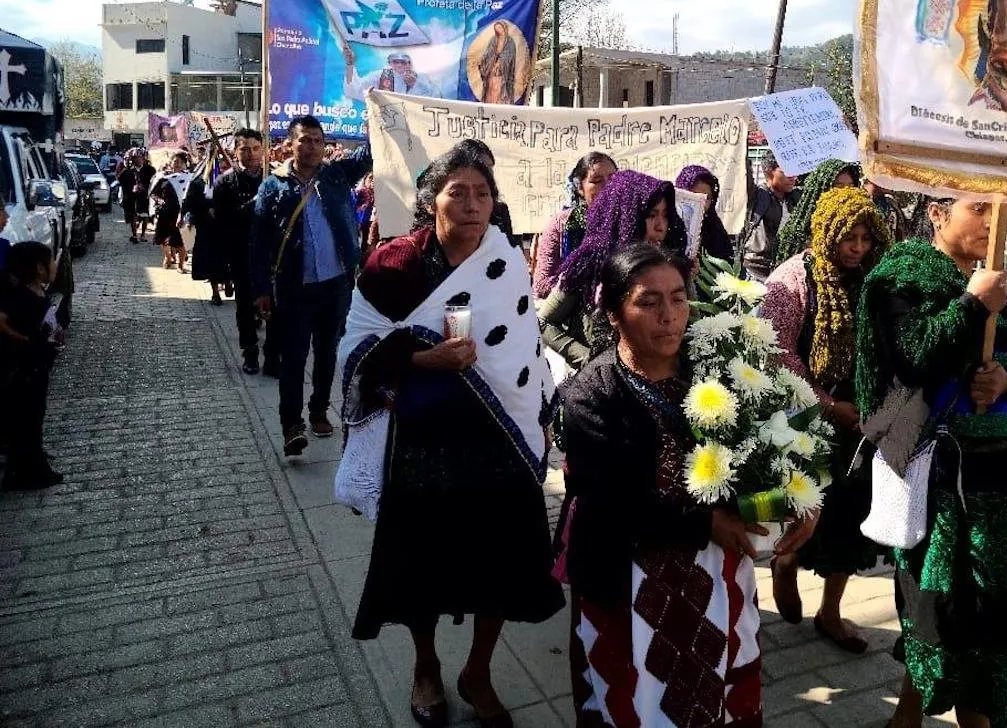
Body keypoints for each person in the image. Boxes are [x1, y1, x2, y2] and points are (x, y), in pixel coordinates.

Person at [340, 145, 563, 727]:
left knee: (504, 562)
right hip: (424, 441)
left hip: (499, 439)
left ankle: (478, 670)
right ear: (430, 201)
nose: (471, 204)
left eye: (482, 193)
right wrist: (422, 359)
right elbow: (355, 350)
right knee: (422, 567)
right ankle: (427, 667)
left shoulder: (506, 258)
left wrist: (538, 409)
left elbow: (524, 346)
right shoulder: (394, 265)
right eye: (456, 192)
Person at [557, 242, 816, 726]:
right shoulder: (593, 393)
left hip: (715, 574)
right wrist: (707, 522)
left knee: (721, 685)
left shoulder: (717, 368)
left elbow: (772, 438)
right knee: (638, 700)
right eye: (647, 302)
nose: (669, 316)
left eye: (678, 299)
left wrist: (797, 494)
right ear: (614, 313)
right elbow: (614, 503)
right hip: (628, 578)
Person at [856, 198, 1007, 728]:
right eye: (979, 208)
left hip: (1001, 479)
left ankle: (906, 718)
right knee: (945, 614)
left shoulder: (999, 287)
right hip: (939, 479)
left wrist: (1006, 381)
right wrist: (971, 304)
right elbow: (911, 359)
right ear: (938, 214)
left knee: (986, 614)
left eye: (1003, 210)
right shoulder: (901, 277)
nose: (994, 222)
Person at [763, 187, 891, 653]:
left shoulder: (875, 277)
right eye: (848, 238)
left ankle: (831, 611)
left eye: (864, 238)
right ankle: (785, 562)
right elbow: (775, 350)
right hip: (806, 414)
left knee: (852, 516)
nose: (857, 248)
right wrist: (826, 404)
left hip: (861, 418)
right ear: (827, 233)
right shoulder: (796, 277)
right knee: (806, 507)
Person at [252, 115, 372, 456]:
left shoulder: (337, 175)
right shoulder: (273, 186)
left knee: (326, 354)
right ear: (291, 143)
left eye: (318, 140)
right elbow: (258, 242)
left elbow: (369, 154)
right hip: (293, 289)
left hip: (335, 286)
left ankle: (319, 409)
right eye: (305, 140)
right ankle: (291, 425)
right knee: (293, 358)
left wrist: (378, 113)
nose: (312, 146)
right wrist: (261, 288)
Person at [538, 170, 686, 371]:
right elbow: (544, 322)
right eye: (651, 215)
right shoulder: (588, 263)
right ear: (626, 217)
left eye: (665, 216)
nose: (661, 226)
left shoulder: (670, 266)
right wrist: (588, 360)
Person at [0, 242, 62, 491]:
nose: (54, 265)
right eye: (51, 261)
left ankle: (33, 458)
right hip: (25, 367)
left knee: (36, 414)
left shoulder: (39, 292)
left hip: (39, 365)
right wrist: (26, 340)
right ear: (39, 268)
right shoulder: (21, 296)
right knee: (26, 416)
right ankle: (26, 471)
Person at [214, 129, 275, 376]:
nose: (251, 154)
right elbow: (223, 222)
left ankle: (272, 355)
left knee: (275, 308)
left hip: (273, 257)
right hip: (243, 256)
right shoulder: (225, 183)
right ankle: (250, 352)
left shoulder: (274, 178)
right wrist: (255, 203)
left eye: (256, 148)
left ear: (263, 150)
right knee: (245, 309)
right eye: (245, 149)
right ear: (235, 151)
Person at [532, 152, 617, 299]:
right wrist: (586, 286)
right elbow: (541, 284)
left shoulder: (633, 222)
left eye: (613, 179)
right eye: (596, 180)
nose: (607, 186)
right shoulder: (562, 223)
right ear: (580, 188)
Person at [771, 159, 858, 266]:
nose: (846, 192)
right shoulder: (798, 232)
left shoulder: (858, 221)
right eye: (839, 186)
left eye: (851, 186)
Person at [739, 153, 798, 282]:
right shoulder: (756, 196)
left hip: (785, 271)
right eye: (786, 171)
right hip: (756, 272)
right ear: (769, 172)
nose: (793, 177)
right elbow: (743, 171)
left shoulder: (796, 199)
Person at [182, 164, 230, 306]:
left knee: (228, 259)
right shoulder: (198, 182)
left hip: (226, 228)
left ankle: (228, 281)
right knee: (210, 261)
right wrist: (205, 209)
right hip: (207, 228)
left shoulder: (231, 179)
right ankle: (215, 292)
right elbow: (191, 202)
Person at [675, 164, 735, 263]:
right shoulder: (666, 226)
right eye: (694, 197)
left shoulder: (715, 228)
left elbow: (727, 263)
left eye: (707, 198)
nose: (702, 203)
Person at [342, 46, 445, 100]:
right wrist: (350, 65)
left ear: (410, 64)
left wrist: (415, 84)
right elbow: (353, 90)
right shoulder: (381, 75)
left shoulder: (421, 78)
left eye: (403, 62)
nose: (399, 65)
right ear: (390, 63)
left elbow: (436, 98)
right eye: (395, 62)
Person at [152, 152, 192, 273]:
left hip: (182, 212)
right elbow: (154, 193)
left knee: (182, 239)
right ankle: (168, 257)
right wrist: (160, 201)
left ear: (185, 164)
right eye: (175, 161)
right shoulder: (163, 178)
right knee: (163, 237)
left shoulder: (189, 178)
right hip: (165, 212)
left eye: (180, 162)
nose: (177, 164)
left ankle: (181, 265)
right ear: (171, 163)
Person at [117, 150, 156, 243]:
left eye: (139, 158)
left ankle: (143, 235)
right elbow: (121, 180)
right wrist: (132, 187)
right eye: (135, 158)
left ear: (143, 158)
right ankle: (134, 235)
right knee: (133, 215)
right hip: (132, 196)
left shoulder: (149, 169)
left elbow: (154, 181)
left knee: (145, 215)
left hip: (145, 196)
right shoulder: (129, 170)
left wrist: (144, 186)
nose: (138, 160)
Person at [476, 20, 519, 104]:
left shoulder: (510, 41)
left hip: (503, 69)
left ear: (504, 28)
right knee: (490, 86)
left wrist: (500, 62)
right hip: (492, 66)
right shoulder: (493, 39)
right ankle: (490, 101)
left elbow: (509, 54)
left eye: (500, 28)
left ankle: (499, 102)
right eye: (497, 29)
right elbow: (488, 52)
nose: (499, 30)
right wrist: (482, 60)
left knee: (499, 87)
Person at [864, 177, 910, 243]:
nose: (893, 181)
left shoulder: (892, 203)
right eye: (888, 177)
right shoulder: (859, 201)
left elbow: (900, 233)